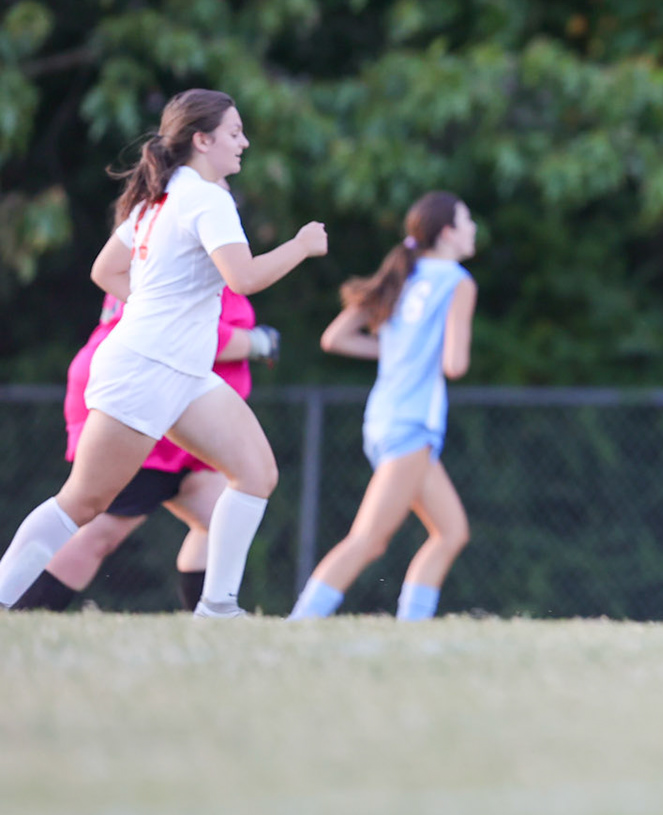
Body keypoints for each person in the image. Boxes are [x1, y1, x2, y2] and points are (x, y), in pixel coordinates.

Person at [0, 88, 327, 616]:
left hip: (184, 372)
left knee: (256, 474)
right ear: (202, 139)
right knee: (84, 502)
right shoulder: (205, 196)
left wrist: (154, 310)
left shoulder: (162, 194)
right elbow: (241, 279)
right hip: (146, 370)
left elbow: (105, 272)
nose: (244, 142)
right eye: (234, 132)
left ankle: (217, 609)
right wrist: (301, 245)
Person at [10, 290, 280, 612]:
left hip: (176, 407)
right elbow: (187, 331)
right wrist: (258, 342)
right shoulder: (186, 244)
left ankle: (214, 616)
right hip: (146, 402)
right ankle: (19, 610)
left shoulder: (169, 245)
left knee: (219, 514)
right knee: (97, 528)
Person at [289, 192, 476, 621]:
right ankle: (299, 623)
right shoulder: (458, 281)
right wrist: (427, 352)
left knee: (451, 532)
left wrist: (398, 352)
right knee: (369, 539)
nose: (473, 230)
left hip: (385, 419)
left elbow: (334, 337)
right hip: (410, 422)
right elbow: (455, 364)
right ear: (447, 233)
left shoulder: (404, 272)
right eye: (467, 222)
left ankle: (412, 629)